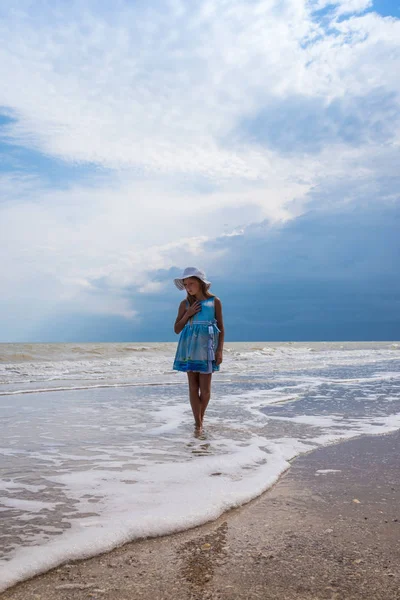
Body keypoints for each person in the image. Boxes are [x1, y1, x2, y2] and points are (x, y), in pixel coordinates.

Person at [173, 267, 224, 432]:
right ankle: (198, 424)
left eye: (191, 283)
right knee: (193, 387)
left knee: (206, 389)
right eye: (185, 284)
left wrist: (219, 350)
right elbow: (177, 329)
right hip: (188, 348)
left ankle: (200, 419)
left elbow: (221, 328)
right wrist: (187, 314)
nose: (188, 287)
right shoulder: (185, 304)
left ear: (201, 283)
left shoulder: (214, 302)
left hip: (207, 348)